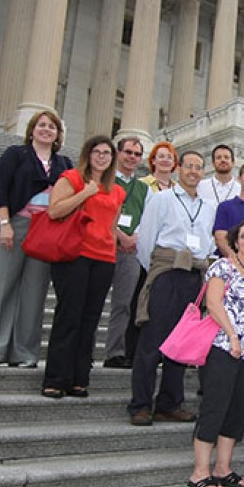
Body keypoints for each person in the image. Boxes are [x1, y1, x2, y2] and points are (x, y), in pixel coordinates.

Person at [0, 110, 71, 368]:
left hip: (47, 228)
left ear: (58, 134)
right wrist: (4, 223)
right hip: (14, 223)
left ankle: (24, 352)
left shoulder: (63, 164)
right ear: (32, 129)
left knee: (34, 292)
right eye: (42, 125)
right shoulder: (15, 155)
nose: (46, 130)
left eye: (52, 126)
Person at [129, 151, 216, 426]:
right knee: (152, 340)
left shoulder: (208, 206)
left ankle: (170, 402)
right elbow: (145, 240)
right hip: (167, 271)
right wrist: (157, 269)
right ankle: (141, 404)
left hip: (193, 276)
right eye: (189, 166)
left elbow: (208, 243)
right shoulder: (162, 198)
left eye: (199, 167)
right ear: (179, 169)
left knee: (182, 341)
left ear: (203, 173)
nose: (193, 171)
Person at [186, 220, 244, 487]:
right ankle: (199, 472)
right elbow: (214, 303)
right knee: (215, 406)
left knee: (238, 408)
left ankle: (223, 467)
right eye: (243, 236)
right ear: (234, 241)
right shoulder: (222, 266)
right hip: (222, 346)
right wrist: (232, 336)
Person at [41, 136, 125, 398]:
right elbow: (54, 211)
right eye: (97, 152)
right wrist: (85, 194)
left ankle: (79, 377)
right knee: (69, 315)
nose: (102, 157)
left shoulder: (117, 190)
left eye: (107, 154)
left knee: (90, 320)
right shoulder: (72, 178)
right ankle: (56, 378)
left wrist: (111, 249)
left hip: (103, 258)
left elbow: (112, 227)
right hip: (75, 253)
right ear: (88, 155)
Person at [103, 137, 149, 369]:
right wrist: (119, 234)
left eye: (137, 154)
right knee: (94, 302)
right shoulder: (105, 179)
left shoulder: (143, 187)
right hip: (102, 245)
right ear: (118, 153)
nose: (132, 157)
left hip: (131, 249)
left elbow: (147, 218)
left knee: (124, 303)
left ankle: (115, 352)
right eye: (128, 152)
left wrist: (133, 237)